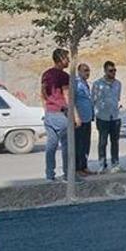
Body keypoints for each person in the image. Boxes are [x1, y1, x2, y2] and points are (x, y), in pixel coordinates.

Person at [40, 49, 78, 181]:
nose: (68, 60)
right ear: (61, 58)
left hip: (49, 114)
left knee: (51, 146)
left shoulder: (46, 74)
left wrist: (48, 107)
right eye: (67, 58)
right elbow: (67, 96)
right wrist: (75, 115)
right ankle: (69, 175)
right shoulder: (63, 76)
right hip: (61, 114)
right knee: (67, 146)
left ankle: (50, 175)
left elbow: (43, 94)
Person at [92, 61, 123, 174]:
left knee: (115, 142)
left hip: (115, 116)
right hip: (102, 116)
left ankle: (115, 163)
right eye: (111, 70)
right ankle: (102, 164)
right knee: (102, 141)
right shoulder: (97, 84)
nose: (113, 72)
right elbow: (94, 100)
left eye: (115, 70)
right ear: (105, 71)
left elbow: (117, 98)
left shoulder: (118, 84)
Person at [74, 63, 95, 177]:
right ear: (79, 71)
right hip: (79, 119)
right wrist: (76, 117)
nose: (87, 73)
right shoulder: (76, 83)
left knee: (86, 144)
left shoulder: (85, 84)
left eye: (88, 70)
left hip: (87, 118)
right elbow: (73, 101)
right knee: (79, 144)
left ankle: (84, 166)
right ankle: (78, 168)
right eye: (85, 70)